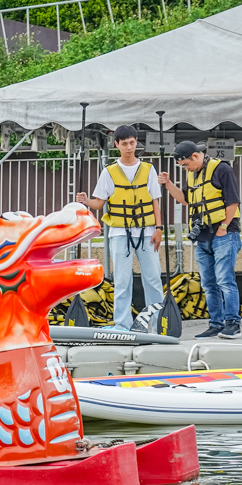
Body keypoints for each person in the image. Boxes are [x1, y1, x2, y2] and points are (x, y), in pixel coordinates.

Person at [75, 124, 163, 331]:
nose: (129, 147)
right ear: (117, 145)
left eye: (132, 143)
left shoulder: (149, 169)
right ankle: (122, 324)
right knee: (122, 280)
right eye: (125, 144)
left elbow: (155, 202)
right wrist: (86, 201)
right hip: (119, 232)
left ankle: (157, 322)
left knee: (153, 278)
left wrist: (159, 228)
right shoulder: (109, 172)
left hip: (147, 231)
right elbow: (99, 203)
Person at [159, 141, 242, 340]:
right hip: (203, 236)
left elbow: (233, 201)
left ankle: (233, 324)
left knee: (225, 281)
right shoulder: (193, 174)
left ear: (196, 156)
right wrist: (168, 184)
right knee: (208, 284)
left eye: (186, 164)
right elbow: (185, 199)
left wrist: (223, 227)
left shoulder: (222, 169)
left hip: (224, 234)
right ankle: (216, 324)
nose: (185, 168)